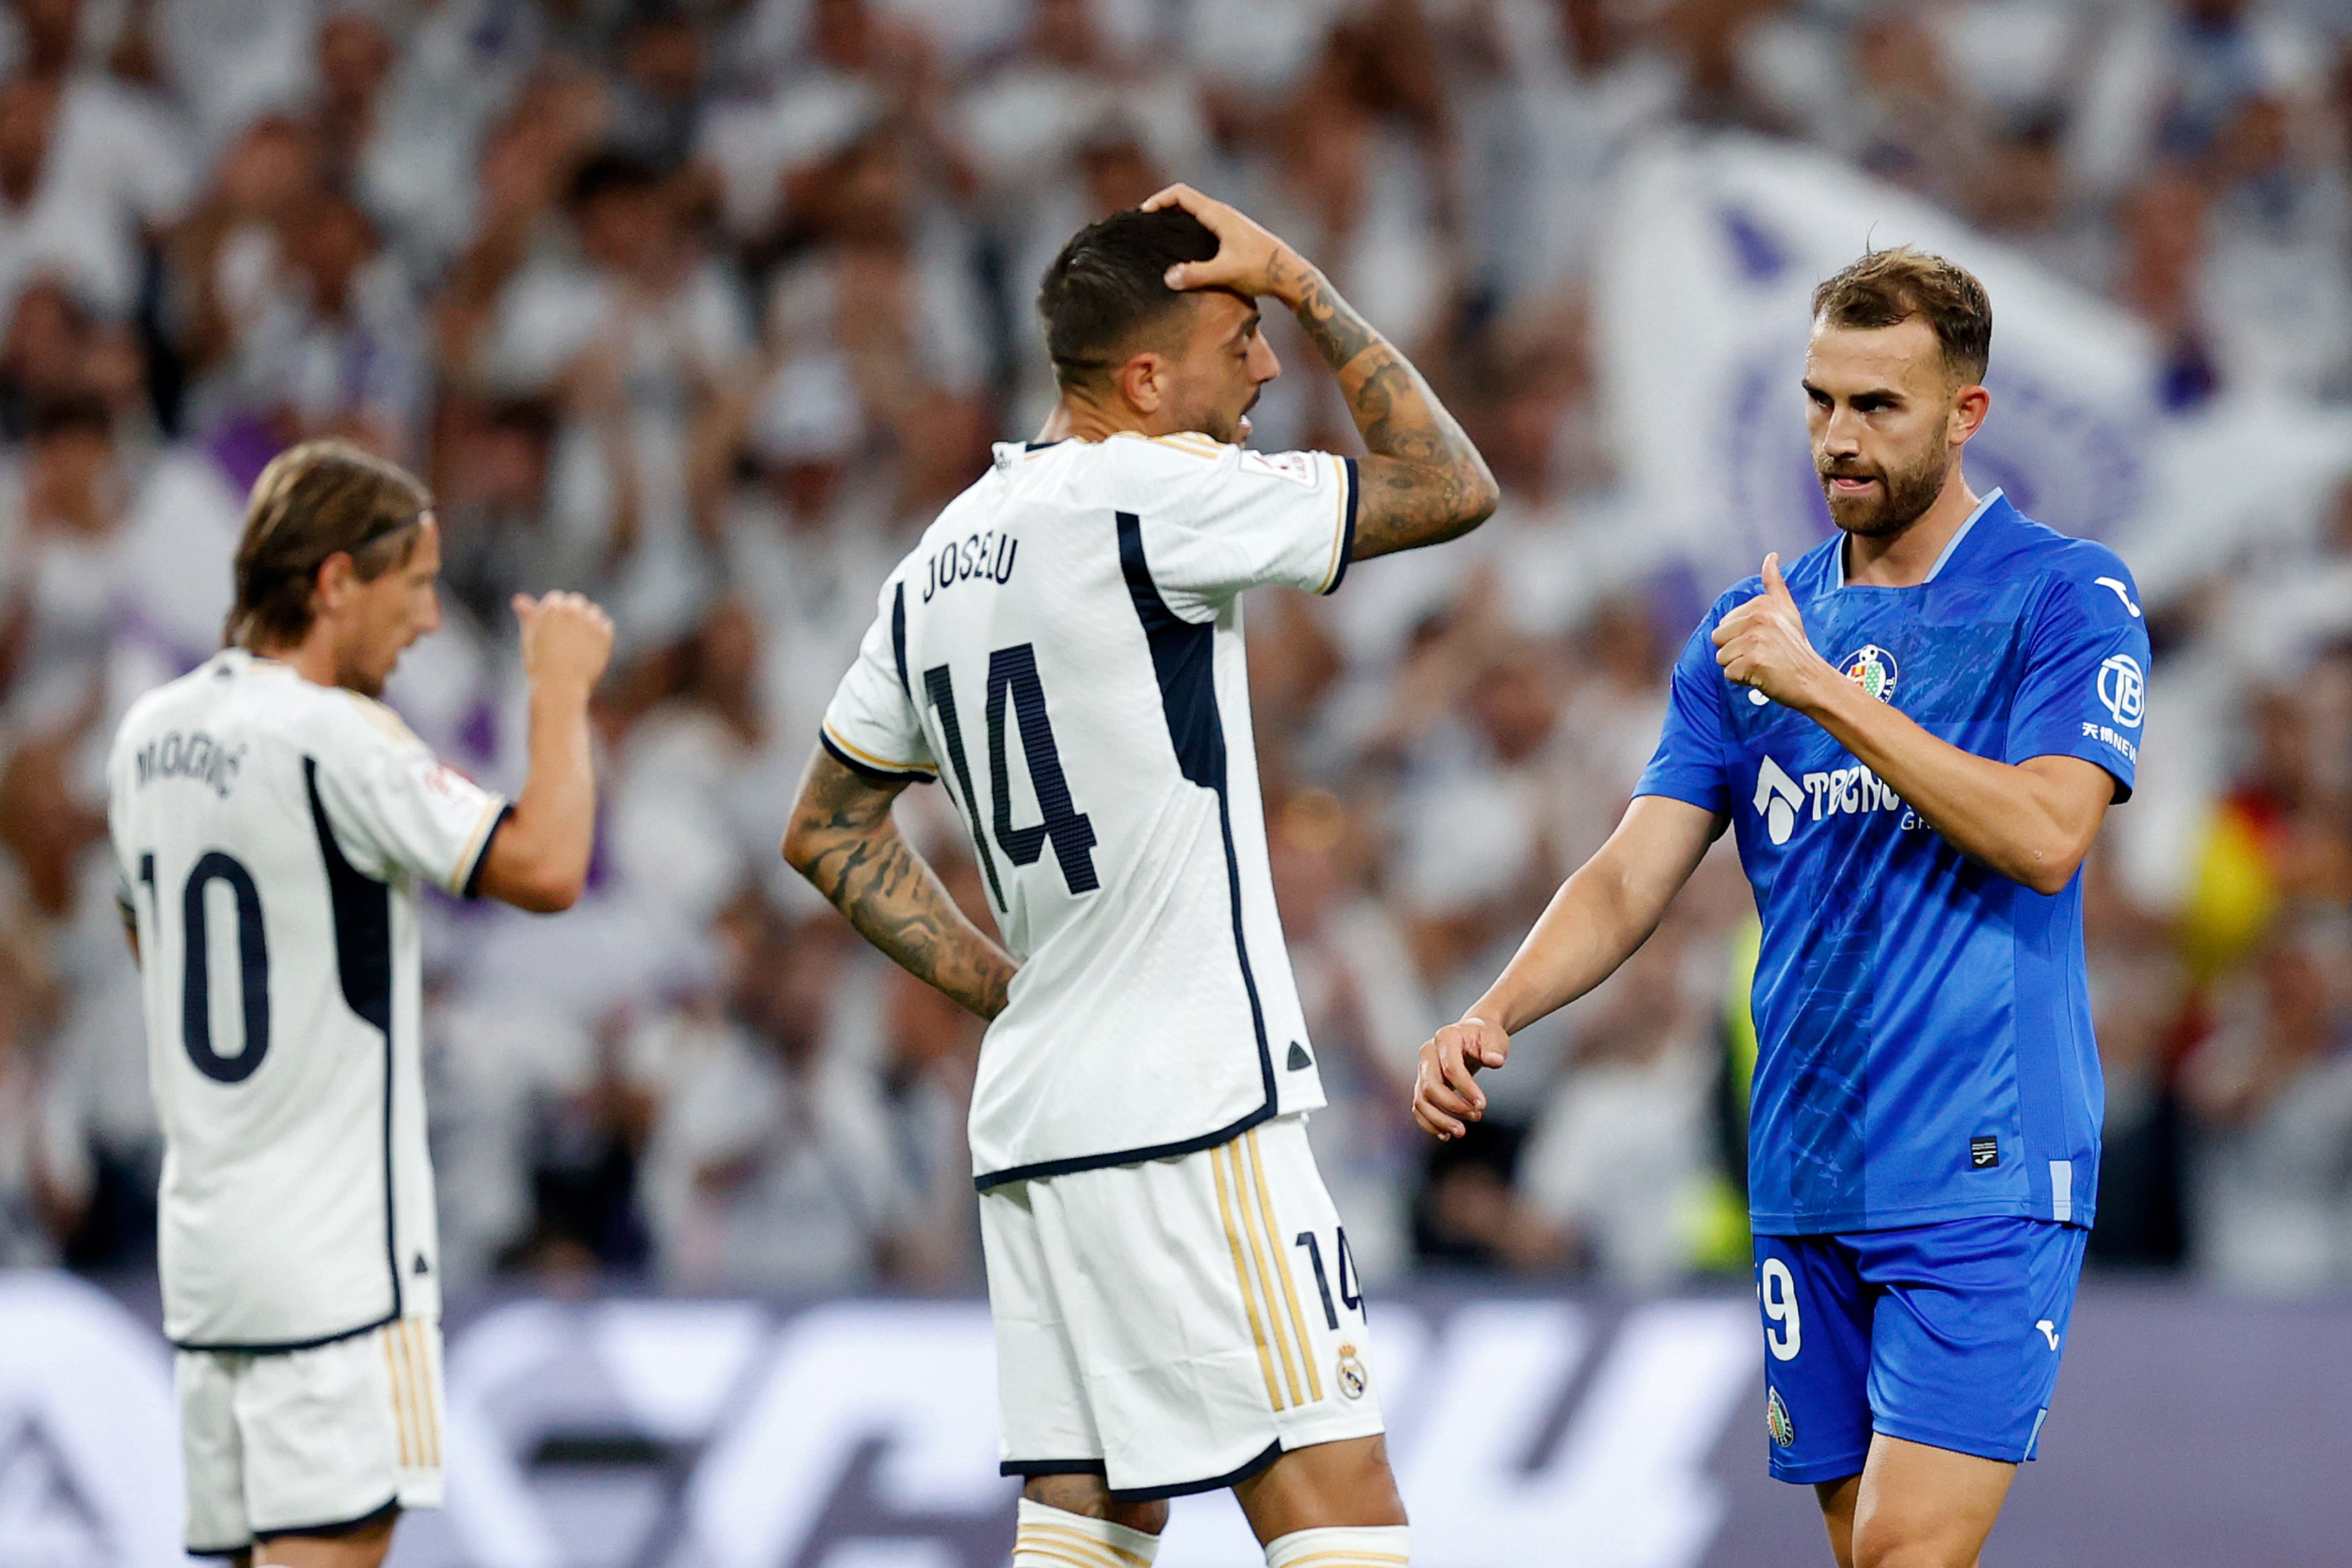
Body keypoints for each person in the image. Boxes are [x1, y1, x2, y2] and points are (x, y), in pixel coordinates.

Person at [783, 188, 1497, 1568]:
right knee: (1337, 1508)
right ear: (1145, 377)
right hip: (1189, 1107)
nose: (1269, 363)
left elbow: (826, 827)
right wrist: (1300, 273)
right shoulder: (1145, 492)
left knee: (1089, 1518)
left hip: (1040, 1120)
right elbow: (1446, 486)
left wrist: (1019, 993)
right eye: (1242, 339)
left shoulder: (934, 560)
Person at [1411, 248, 2150, 1568]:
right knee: (1858, 1550)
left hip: (1983, 1161)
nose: (1835, 438)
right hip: (1805, 1164)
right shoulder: (1751, 631)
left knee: (1902, 1556)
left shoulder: (2063, 593)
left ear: (1964, 415)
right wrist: (1494, 1008)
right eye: (1818, 401)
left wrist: (1823, 694)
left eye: (1877, 405)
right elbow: (1632, 870)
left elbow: (2045, 836)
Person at [105, 440, 614, 1567]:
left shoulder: (148, 739)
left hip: (209, 1257)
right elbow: (545, 866)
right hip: (332, 1264)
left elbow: (146, 928)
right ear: (335, 584)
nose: (429, 621)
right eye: (415, 585)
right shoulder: (338, 738)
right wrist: (560, 687)